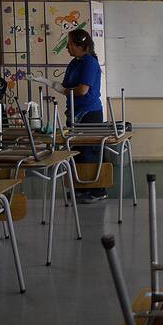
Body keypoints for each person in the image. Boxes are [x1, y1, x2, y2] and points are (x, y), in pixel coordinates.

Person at [32, 28, 107, 203]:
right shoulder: (75, 62)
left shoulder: (89, 62)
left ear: (81, 46)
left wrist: (65, 90)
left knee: (89, 152)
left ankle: (97, 189)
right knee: (77, 152)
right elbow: (65, 87)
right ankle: (81, 187)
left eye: (70, 44)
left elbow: (82, 90)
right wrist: (45, 81)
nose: (67, 47)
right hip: (74, 112)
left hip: (89, 113)